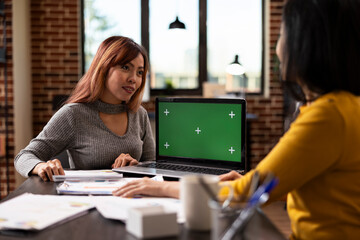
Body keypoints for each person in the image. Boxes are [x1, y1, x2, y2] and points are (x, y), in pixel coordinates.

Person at [113, 0, 360, 238]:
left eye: (282, 34)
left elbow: (244, 194)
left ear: (305, 44)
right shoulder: (343, 107)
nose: (277, 48)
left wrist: (157, 186)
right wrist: (252, 182)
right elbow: (316, 187)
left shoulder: (327, 116)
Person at [14, 36, 155, 182]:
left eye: (139, 72)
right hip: (88, 199)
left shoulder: (139, 114)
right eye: (125, 67)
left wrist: (136, 166)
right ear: (104, 68)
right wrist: (41, 166)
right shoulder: (73, 114)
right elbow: (24, 157)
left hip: (131, 199)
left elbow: (152, 166)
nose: (134, 79)